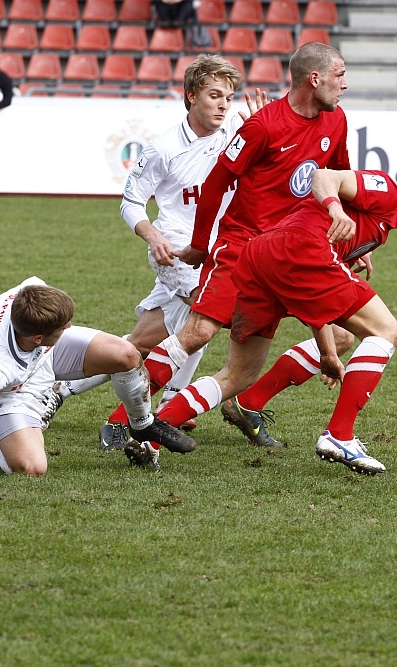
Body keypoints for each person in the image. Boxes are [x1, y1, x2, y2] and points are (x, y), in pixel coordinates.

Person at [101, 42, 360, 453]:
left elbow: (341, 181)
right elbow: (216, 183)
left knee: (340, 335)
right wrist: (202, 246)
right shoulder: (263, 126)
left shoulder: (337, 121)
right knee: (198, 331)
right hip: (241, 247)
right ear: (316, 79)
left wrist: (354, 242)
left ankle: (245, 403)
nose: (346, 84)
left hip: (290, 253)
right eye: (341, 75)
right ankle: (124, 421)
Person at [157, 160, 397, 475]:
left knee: (238, 374)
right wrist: (336, 209)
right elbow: (323, 176)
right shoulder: (387, 191)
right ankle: (339, 434)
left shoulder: (380, 226)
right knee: (386, 330)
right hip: (300, 249)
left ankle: (152, 431)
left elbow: (313, 298)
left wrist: (329, 352)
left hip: (264, 256)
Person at [46, 55, 267, 456]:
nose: (223, 105)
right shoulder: (163, 148)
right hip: (178, 252)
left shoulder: (237, 131)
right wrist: (152, 236)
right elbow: (131, 201)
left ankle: (58, 386)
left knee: (142, 344)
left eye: (229, 97)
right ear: (190, 97)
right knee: (205, 324)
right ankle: (166, 407)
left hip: (223, 251)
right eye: (214, 95)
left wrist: (265, 128)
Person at [0, 278, 195, 491]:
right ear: (38, 336)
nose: (70, 327)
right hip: (14, 393)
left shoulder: (31, 292)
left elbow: (46, 310)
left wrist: (58, 335)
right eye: (63, 327)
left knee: (125, 354)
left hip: (45, 353)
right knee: (33, 468)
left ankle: (142, 423)